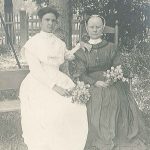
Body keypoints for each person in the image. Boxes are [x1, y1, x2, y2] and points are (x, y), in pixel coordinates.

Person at [74, 15, 148, 150]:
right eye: (92, 27)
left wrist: (111, 77)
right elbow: (81, 73)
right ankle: (97, 137)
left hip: (110, 82)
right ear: (86, 28)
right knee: (95, 99)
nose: (95, 30)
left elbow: (118, 66)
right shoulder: (82, 50)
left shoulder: (111, 47)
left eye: (98, 27)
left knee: (114, 97)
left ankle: (117, 134)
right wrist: (95, 82)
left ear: (103, 28)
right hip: (91, 84)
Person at [19, 6, 88, 150]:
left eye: (53, 21)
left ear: (56, 23)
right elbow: (36, 71)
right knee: (52, 109)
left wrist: (79, 46)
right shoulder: (32, 44)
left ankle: (68, 143)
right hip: (39, 82)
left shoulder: (59, 43)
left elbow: (66, 55)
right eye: (47, 20)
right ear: (40, 21)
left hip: (58, 77)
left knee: (75, 106)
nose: (50, 23)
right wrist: (55, 87)